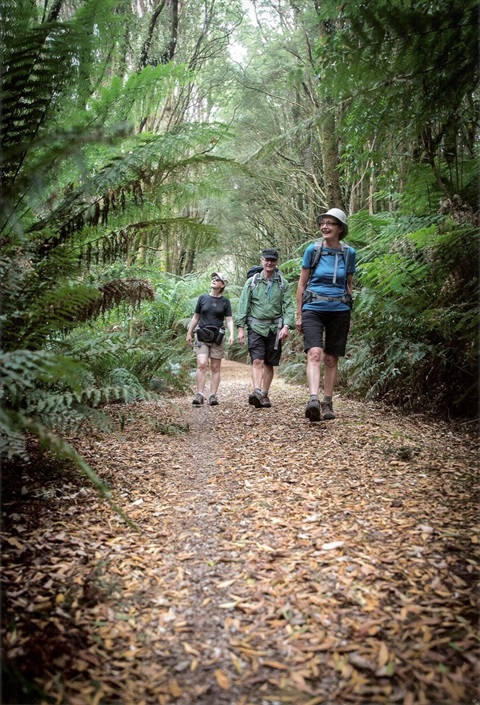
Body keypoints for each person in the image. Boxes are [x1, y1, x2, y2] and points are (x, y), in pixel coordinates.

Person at [296, 208, 356, 421]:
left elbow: (349, 285)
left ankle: (327, 402)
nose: (325, 226)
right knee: (315, 353)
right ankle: (313, 399)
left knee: (331, 358)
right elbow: (302, 284)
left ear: (340, 229)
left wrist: (350, 313)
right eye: (323, 222)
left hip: (339, 310)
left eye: (331, 223)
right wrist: (299, 314)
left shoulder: (349, 253)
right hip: (313, 308)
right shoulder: (313, 250)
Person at [236, 248, 295, 408]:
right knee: (257, 360)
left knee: (269, 363)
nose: (269, 263)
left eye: (272, 260)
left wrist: (287, 325)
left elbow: (289, 305)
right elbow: (243, 304)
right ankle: (256, 391)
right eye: (266, 260)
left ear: (276, 262)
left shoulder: (283, 283)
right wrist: (240, 327)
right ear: (262, 261)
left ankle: (264, 394)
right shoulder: (252, 282)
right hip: (255, 327)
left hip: (275, 329)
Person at [186, 272, 235, 406]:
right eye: (213, 278)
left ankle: (213, 395)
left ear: (223, 284)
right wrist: (189, 332)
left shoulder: (225, 302)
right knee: (202, 364)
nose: (214, 280)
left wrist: (232, 334)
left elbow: (229, 320)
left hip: (218, 337)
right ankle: (200, 394)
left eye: (217, 279)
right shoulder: (202, 298)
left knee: (215, 367)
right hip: (202, 335)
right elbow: (196, 317)